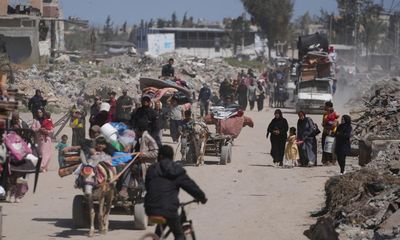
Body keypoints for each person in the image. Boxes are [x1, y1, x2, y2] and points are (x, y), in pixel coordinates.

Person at [145, 145, 207, 240]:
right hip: (169, 209)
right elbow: (191, 187)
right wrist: (202, 197)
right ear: (172, 156)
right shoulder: (176, 170)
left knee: (161, 225)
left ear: (160, 156)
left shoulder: (151, 169)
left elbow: (148, 187)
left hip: (150, 208)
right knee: (179, 235)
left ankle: (156, 237)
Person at [119, 119, 159, 198]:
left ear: (139, 129)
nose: (134, 130)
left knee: (128, 167)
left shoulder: (147, 138)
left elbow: (156, 153)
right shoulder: (137, 137)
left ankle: (125, 189)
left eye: (135, 129)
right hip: (137, 161)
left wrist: (143, 154)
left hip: (145, 164)